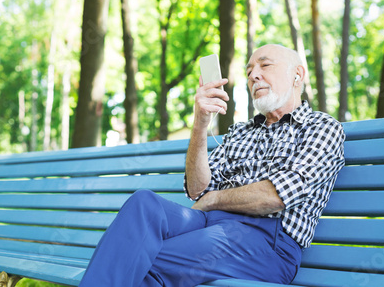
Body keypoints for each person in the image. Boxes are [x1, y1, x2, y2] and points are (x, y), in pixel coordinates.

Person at [79, 44, 346, 286]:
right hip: (208, 224)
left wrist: (214, 199)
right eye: (250, 70)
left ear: (297, 75)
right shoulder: (239, 132)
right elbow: (197, 190)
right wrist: (201, 123)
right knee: (144, 203)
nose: (254, 75)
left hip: (268, 244)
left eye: (265, 66)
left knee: (142, 259)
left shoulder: (321, 128)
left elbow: (275, 196)